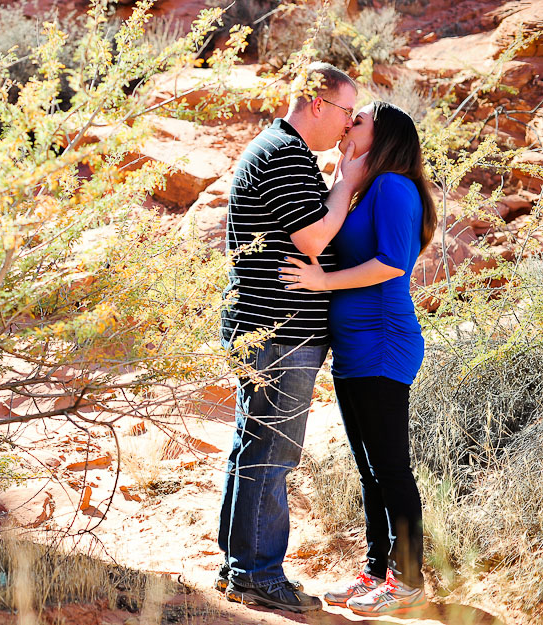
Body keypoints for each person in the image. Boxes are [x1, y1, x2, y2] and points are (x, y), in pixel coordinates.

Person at [216, 62, 364, 613]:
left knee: (252, 449)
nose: (349, 125)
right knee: (271, 455)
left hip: (267, 327)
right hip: (276, 332)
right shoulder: (283, 154)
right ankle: (256, 574)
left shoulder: (285, 152)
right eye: (347, 111)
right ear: (319, 104)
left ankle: (240, 571)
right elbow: (312, 239)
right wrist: (346, 182)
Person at [280, 101, 438, 616]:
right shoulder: (368, 186)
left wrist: (323, 281)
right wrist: (344, 173)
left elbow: (392, 264)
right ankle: (376, 570)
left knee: (391, 469)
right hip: (353, 349)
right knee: (369, 469)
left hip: (383, 341)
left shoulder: (394, 187)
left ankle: (409, 582)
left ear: (384, 135)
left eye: (360, 121)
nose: (349, 124)